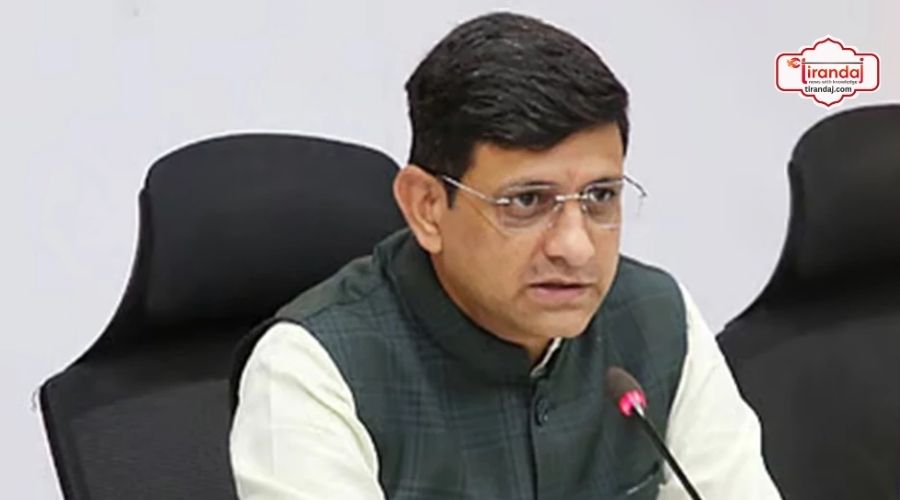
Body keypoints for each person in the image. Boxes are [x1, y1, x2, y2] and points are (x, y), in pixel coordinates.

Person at [229, 11, 782, 499]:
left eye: (600, 196)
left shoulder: (658, 320)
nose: (575, 247)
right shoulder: (311, 370)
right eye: (527, 201)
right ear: (426, 207)